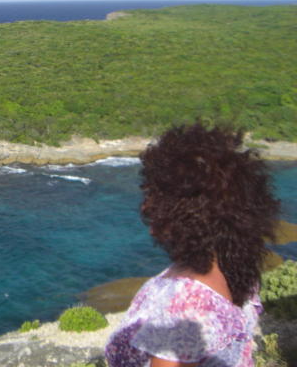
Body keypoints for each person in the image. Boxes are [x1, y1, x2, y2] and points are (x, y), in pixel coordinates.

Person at [105, 122, 280, 367]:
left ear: (183, 213)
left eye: (154, 194)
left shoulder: (187, 306)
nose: (146, 206)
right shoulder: (237, 268)